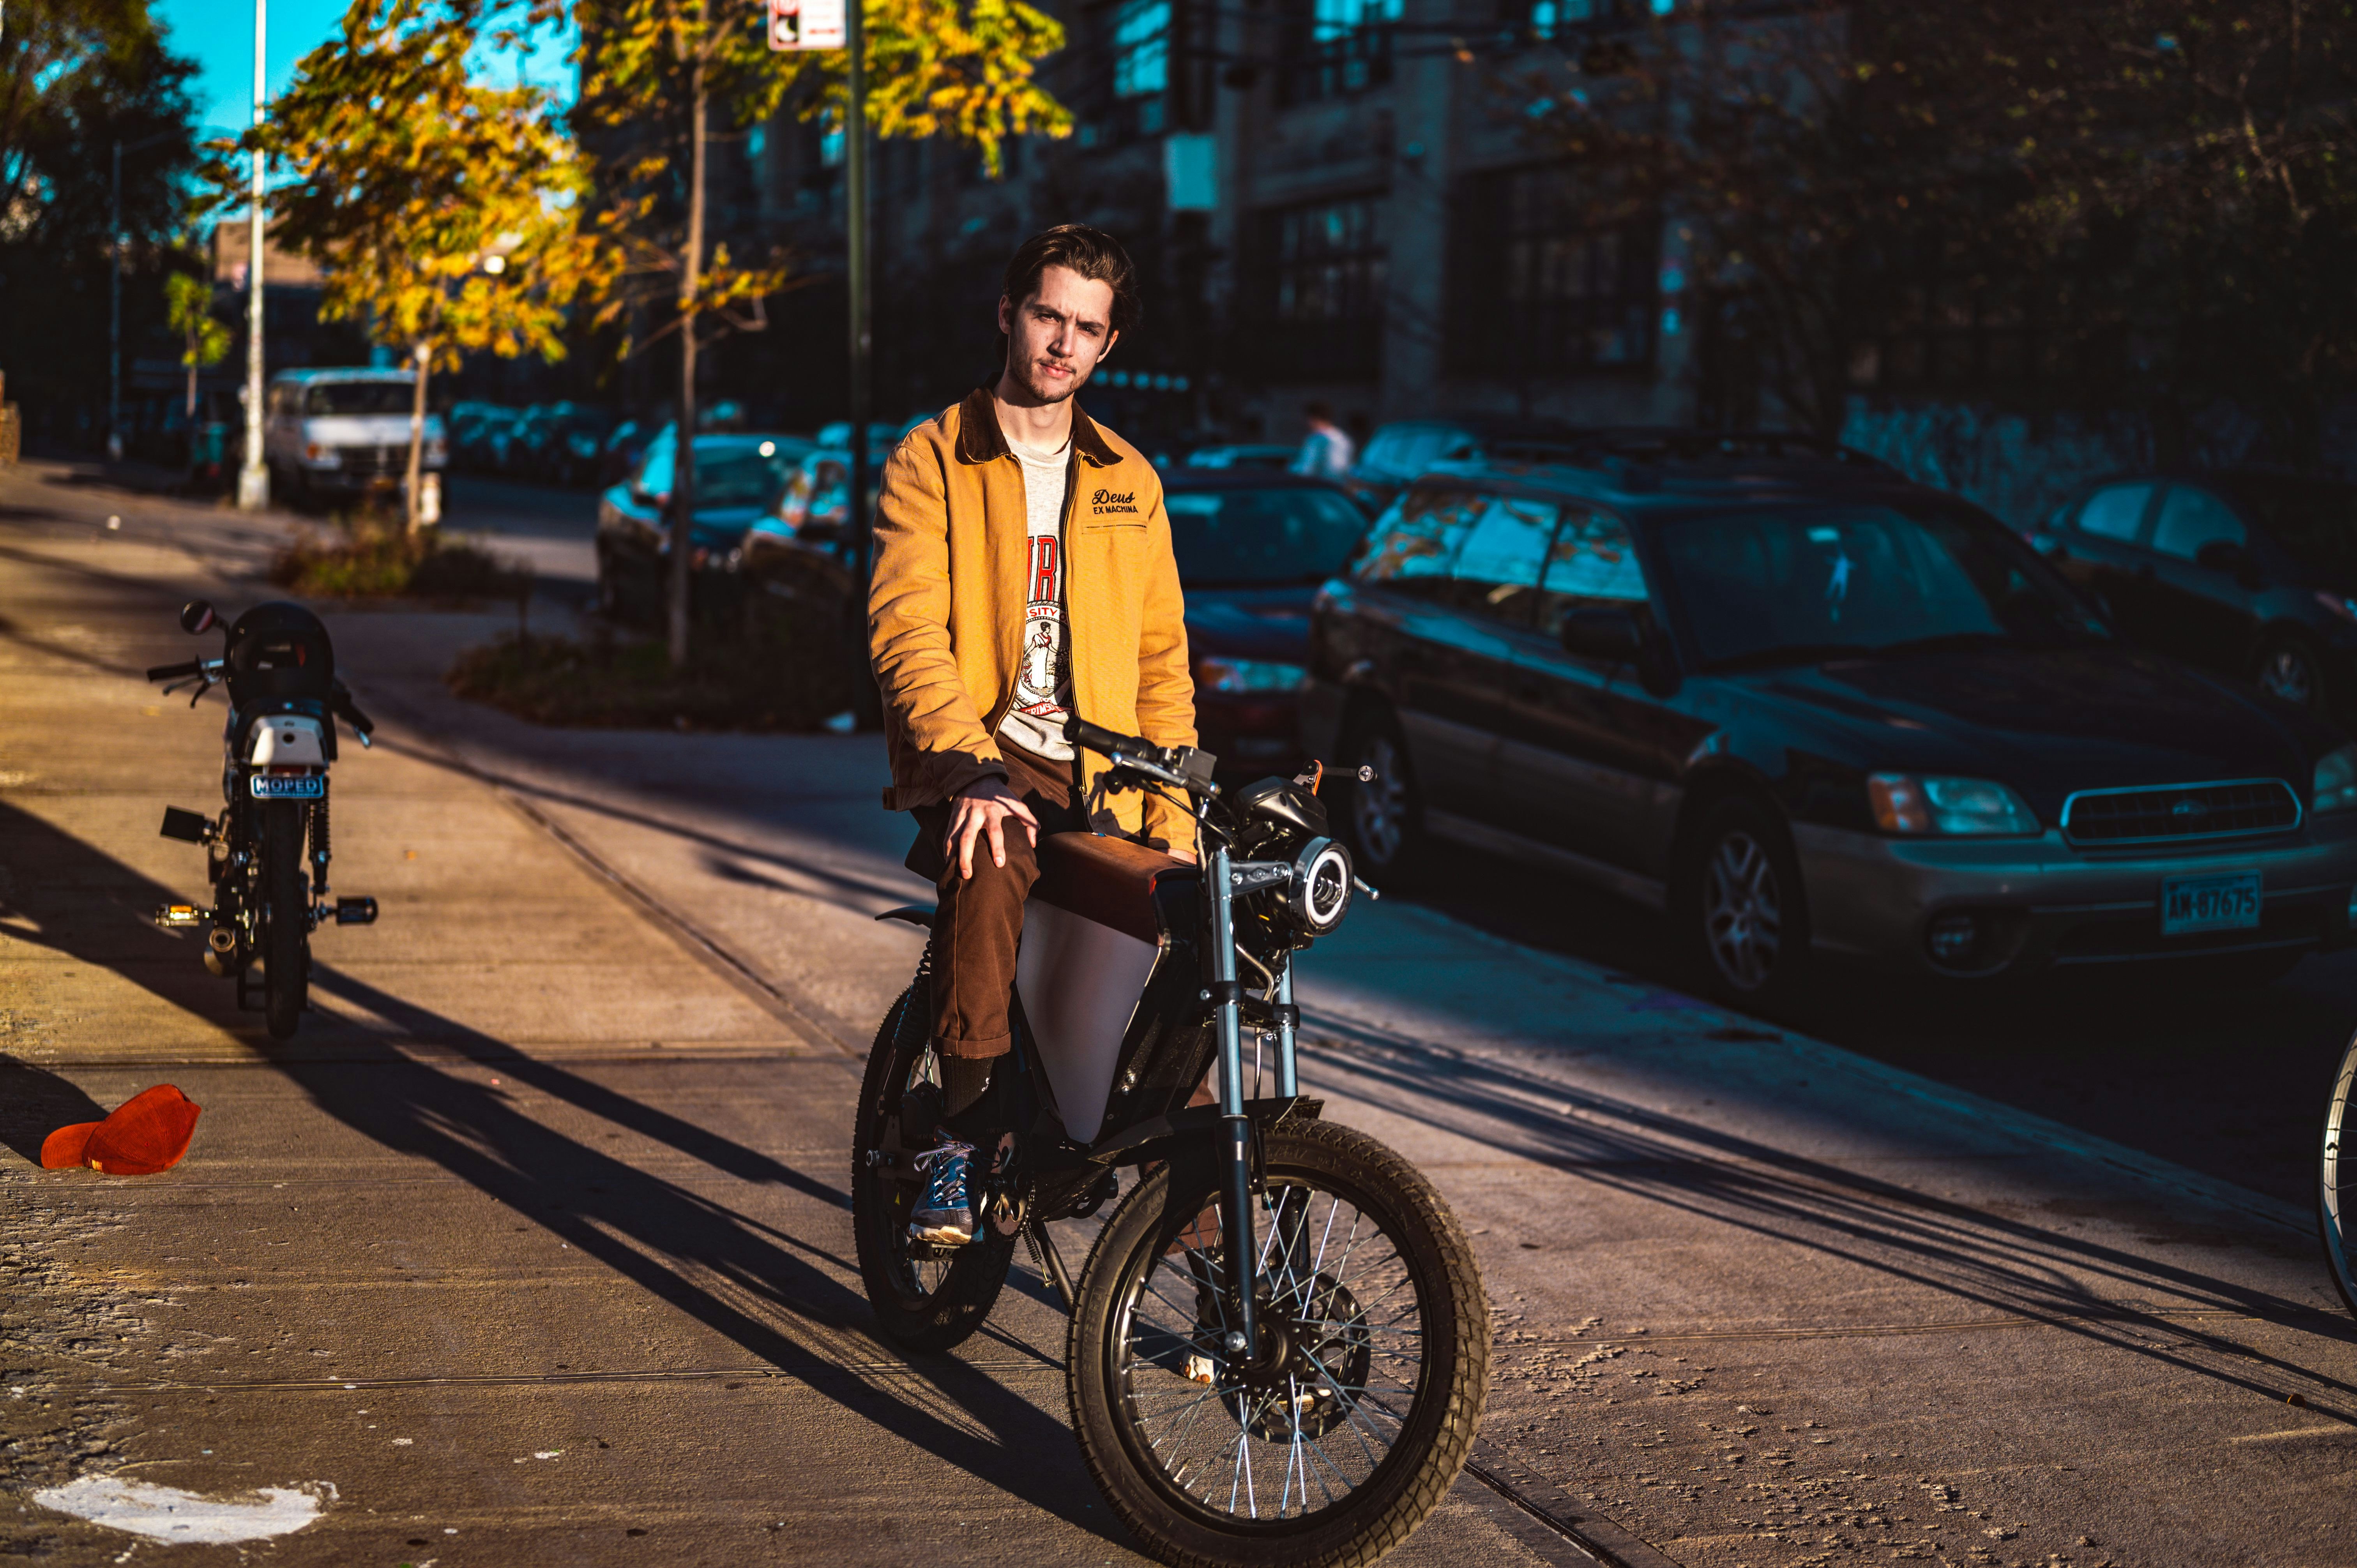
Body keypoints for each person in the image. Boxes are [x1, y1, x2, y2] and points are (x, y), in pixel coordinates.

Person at [867, 225, 1198, 1245]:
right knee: (993, 849)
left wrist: (1174, 807)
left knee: (1209, 907)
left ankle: (1161, 1149)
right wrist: (967, 764)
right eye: (1049, 315)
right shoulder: (937, 456)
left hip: (1097, 769)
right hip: (981, 753)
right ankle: (956, 1144)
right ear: (1008, 313)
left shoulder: (1127, 479)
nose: (1062, 342)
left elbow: (1160, 661)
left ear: (1108, 349)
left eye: (1086, 329)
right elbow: (908, 625)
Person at [1290, 399, 1355, 479]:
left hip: (1318, 488)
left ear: (1313, 419)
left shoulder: (1317, 440)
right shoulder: (1343, 438)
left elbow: (1306, 470)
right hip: (1338, 487)